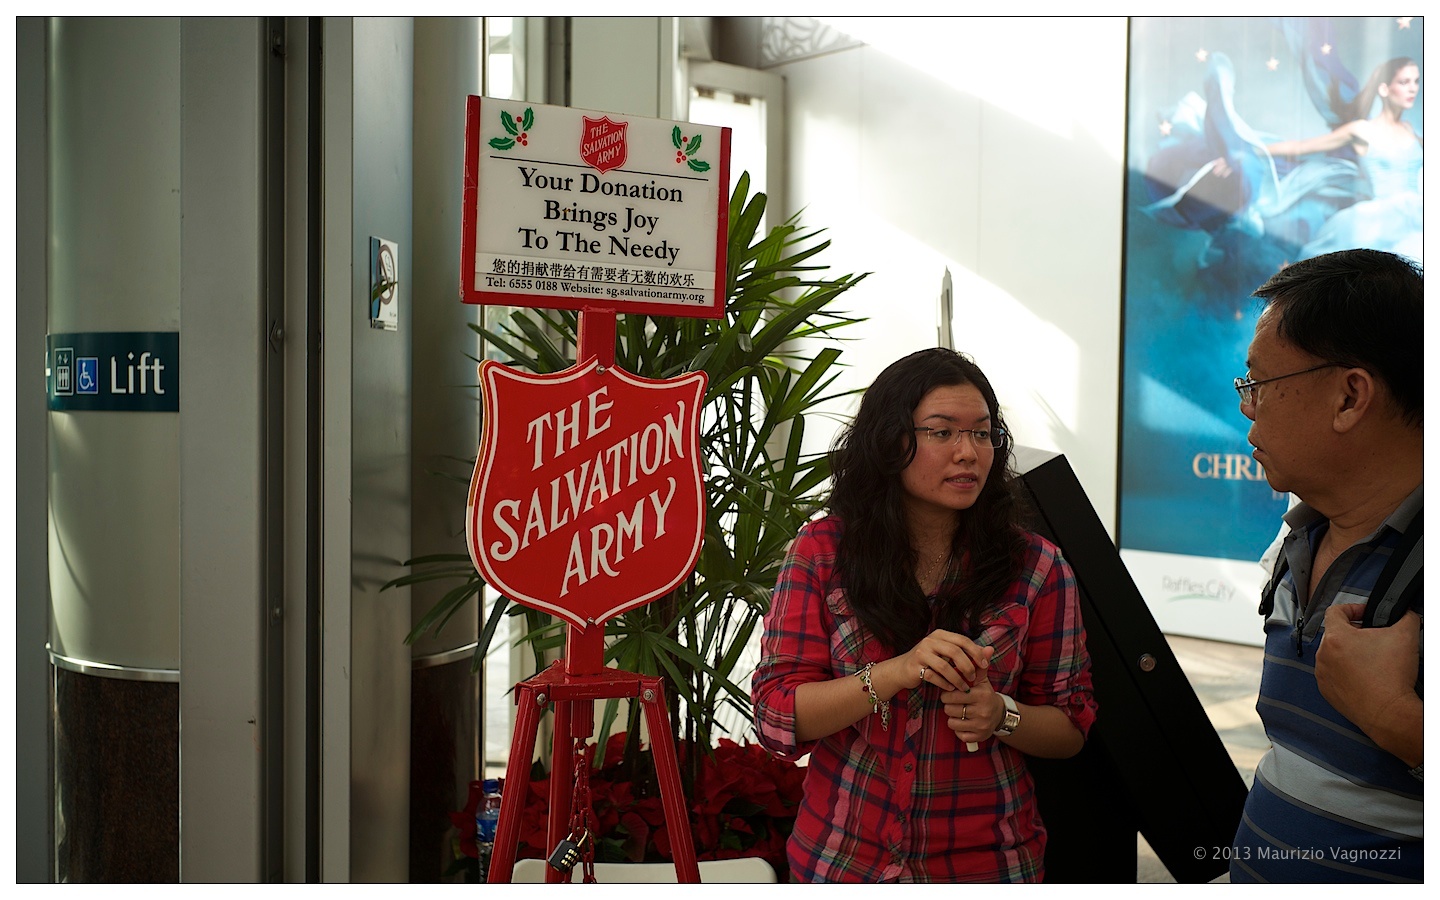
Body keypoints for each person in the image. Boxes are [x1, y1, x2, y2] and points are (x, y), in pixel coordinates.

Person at [750, 348, 1097, 883]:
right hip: (843, 861)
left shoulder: (1038, 566)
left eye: (982, 433)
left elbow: (1070, 725)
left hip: (985, 865)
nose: (968, 452)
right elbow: (776, 716)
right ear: (890, 441)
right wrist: (896, 672)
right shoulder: (822, 551)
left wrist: (1001, 714)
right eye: (942, 432)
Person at [1229, 248, 1422, 882]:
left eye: (1259, 383)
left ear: (1349, 396)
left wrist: (1396, 719)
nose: (1246, 407)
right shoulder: (1297, 539)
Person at [1265, 57, 1423, 263]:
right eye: (1404, 82)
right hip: (1380, 221)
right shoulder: (1363, 130)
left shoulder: (1412, 131)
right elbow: (1300, 147)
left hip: (1418, 217)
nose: (1413, 89)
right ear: (1384, 89)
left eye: (1416, 81)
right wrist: (1251, 148)